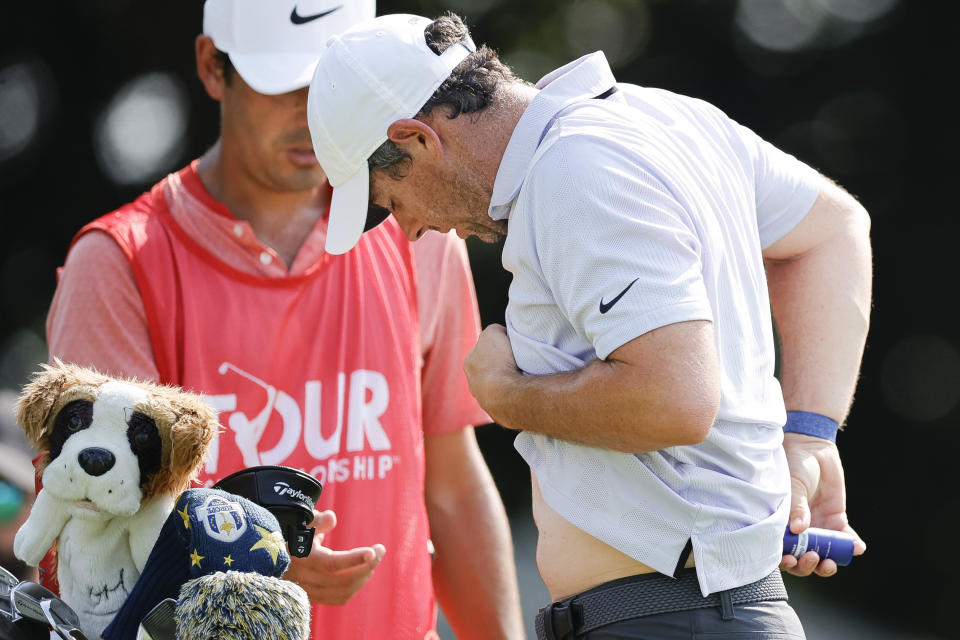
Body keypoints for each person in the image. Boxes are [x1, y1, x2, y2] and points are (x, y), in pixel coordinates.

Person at [305, 12, 871, 638]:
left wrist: (508, 396)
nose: (410, 230)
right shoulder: (665, 116)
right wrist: (811, 437)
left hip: (673, 619)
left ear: (416, 139)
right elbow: (835, 229)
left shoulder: (572, 170)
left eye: (390, 200)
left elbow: (675, 401)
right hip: (698, 611)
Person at [44, 2, 523, 639]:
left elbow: (454, 483)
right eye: (284, 87)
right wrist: (246, 557)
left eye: (333, 84)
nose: (314, 113)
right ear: (213, 67)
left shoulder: (421, 227)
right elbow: (88, 536)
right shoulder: (117, 263)